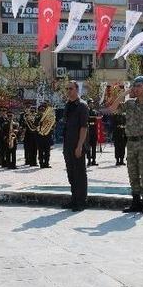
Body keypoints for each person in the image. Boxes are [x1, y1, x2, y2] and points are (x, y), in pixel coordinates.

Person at [104, 76, 143, 214]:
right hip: (131, 142)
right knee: (132, 172)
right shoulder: (130, 104)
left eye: (139, 86)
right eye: (135, 86)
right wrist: (124, 93)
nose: (136, 88)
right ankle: (135, 202)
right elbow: (112, 108)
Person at [63, 81, 89, 211]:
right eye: (67, 89)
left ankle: (81, 201)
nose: (68, 91)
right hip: (67, 144)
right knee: (71, 173)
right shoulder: (68, 105)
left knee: (79, 173)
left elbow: (84, 127)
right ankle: (74, 199)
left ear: (77, 89)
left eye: (71, 88)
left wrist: (79, 146)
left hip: (77, 144)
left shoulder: (82, 106)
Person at [37, 104, 55, 168]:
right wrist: (40, 123)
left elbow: (53, 125)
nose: (42, 111)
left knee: (47, 151)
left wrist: (51, 127)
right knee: (40, 151)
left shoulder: (49, 117)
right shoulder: (37, 117)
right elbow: (35, 125)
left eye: (44, 110)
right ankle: (41, 163)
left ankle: (46, 163)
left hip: (47, 136)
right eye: (41, 110)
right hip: (40, 136)